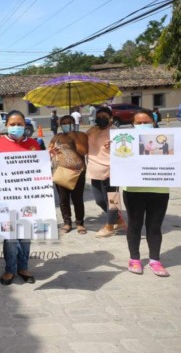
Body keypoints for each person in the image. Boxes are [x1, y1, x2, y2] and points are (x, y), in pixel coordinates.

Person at [0, 110, 40, 285]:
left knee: (25, 236)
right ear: (6, 125)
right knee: (10, 237)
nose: (16, 127)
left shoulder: (34, 143)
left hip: (28, 198)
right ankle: (10, 269)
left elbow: (40, 168)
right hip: (6, 198)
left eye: (19, 124)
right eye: (12, 124)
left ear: (25, 125)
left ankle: (23, 267)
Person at [124, 109, 170, 276]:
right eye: (139, 123)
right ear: (133, 125)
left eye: (146, 122)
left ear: (154, 122)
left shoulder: (168, 139)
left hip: (159, 189)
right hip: (133, 190)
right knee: (135, 224)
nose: (143, 125)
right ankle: (134, 259)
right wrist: (111, 149)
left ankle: (155, 260)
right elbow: (118, 162)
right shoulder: (125, 141)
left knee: (154, 226)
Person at [86, 107, 125, 238]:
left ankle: (109, 227)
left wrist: (115, 145)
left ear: (110, 118)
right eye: (99, 116)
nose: (101, 119)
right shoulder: (92, 130)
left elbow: (125, 150)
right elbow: (82, 144)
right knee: (99, 200)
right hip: (94, 171)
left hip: (110, 171)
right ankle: (118, 220)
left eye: (104, 116)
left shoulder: (115, 131)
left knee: (112, 201)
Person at [48, 115, 88, 234]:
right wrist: (51, 151)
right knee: (63, 199)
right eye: (64, 123)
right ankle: (67, 222)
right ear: (60, 125)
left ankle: (80, 223)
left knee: (78, 198)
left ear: (73, 123)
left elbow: (84, 151)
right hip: (60, 173)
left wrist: (74, 138)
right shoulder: (57, 137)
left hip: (77, 172)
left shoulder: (81, 135)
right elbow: (49, 151)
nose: (66, 124)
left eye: (69, 122)